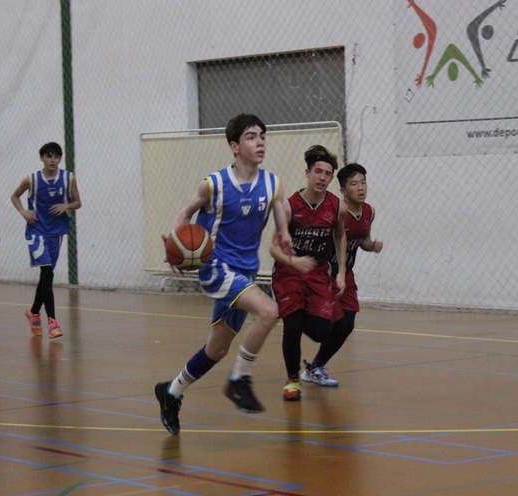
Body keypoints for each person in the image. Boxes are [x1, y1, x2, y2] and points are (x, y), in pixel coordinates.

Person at [153, 113, 296, 435]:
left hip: (245, 271)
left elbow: (278, 204)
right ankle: (239, 380)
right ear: (234, 146)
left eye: (262, 135)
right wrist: (173, 242)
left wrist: (284, 232)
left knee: (216, 350)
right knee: (270, 310)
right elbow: (185, 213)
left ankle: (171, 391)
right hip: (216, 267)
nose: (259, 141)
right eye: (250, 136)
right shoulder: (214, 184)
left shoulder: (272, 182)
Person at [270, 145, 347, 401]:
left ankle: (298, 317)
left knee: (322, 331)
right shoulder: (290, 207)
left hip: (316, 274)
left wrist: (341, 273)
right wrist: (294, 261)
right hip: (288, 273)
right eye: (318, 172)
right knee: (292, 327)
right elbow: (273, 249)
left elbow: (340, 236)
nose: (322, 177)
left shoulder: (336, 207)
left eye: (327, 173)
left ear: (331, 177)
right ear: (307, 173)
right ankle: (292, 381)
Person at [304, 163, 382, 384]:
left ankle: (316, 367)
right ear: (342, 189)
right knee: (329, 323)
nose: (360, 188)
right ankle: (295, 319)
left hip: (345, 274)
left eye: (363, 182)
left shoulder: (369, 211)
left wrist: (372, 245)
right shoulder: (336, 211)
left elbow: (363, 241)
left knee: (347, 324)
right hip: (325, 273)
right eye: (354, 184)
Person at [10, 142, 82, 339]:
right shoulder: (32, 179)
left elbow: (78, 202)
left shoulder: (68, 178)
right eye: (48, 156)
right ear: (42, 158)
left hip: (56, 232)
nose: (52, 160)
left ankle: (33, 311)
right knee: (47, 271)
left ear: (60, 158)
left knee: (46, 276)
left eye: (56, 156)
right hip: (36, 231)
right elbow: (15, 196)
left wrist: (66, 205)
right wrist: (24, 212)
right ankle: (52, 321)